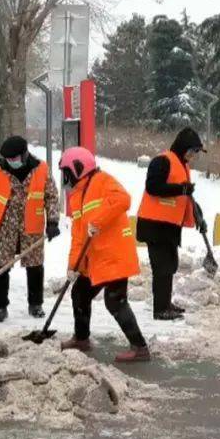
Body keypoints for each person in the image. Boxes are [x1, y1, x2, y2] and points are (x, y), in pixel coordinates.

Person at [58, 147, 150, 362]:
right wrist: (73, 268)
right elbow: (79, 238)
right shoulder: (76, 196)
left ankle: (140, 348)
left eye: (67, 172)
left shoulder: (103, 181)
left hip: (114, 255)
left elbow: (123, 200)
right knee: (79, 292)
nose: (65, 178)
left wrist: (96, 221)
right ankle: (82, 339)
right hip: (96, 260)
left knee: (114, 301)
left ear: (79, 168)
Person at [0, 136, 61, 322]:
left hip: (31, 227)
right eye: (8, 160)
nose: (11, 163)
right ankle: (0, 307)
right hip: (3, 228)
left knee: (35, 267)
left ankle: (35, 304)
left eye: (14, 159)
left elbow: (52, 196)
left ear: (24, 155)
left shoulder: (41, 169)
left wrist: (53, 222)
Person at [136, 127, 207, 320]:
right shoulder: (162, 161)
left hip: (168, 226)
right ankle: (160, 309)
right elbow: (152, 186)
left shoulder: (182, 165)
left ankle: (166, 303)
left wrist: (198, 216)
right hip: (154, 224)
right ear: (183, 147)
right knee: (162, 267)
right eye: (192, 151)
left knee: (170, 265)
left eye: (196, 152)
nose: (193, 155)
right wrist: (180, 189)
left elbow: (186, 196)